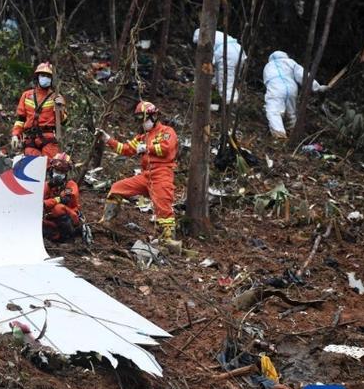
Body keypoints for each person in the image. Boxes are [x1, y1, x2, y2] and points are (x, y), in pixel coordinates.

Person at [96, 101, 179, 244]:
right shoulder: (142, 136)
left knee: (163, 208)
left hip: (162, 174)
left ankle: (169, 241)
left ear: (154, 117)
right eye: (140, 120)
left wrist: (147, 148)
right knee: (117, 188)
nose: (143, 123)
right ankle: (107, 222)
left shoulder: (167, 131)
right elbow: (126, 149)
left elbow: (167, 148)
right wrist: (107, 139)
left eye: (144, 119)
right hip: (145, 175)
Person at [262, 51, 328, 139]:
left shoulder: (268, 66)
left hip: (276, 89)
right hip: (291, 88)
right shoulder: (290, 62)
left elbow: (266, 83)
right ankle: (293, 134)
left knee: (274, 112)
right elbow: (303, 75)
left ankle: (279, 136)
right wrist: (317, 87)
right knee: (291, 114)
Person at [10, 62, 67, 158]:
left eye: (48, 76)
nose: (45, 78)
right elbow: (21, 119)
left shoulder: (56, 97)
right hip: (30, 139)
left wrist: (60, 108)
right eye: (43, 75)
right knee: (31, 167)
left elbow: (63, 121)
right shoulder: (27, 95)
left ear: (52, 79)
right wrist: (15, 135)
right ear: (37, 77)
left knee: (50, 166)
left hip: (48, 139)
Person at [192, 29, 246, 104]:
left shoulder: (203, 38)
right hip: (239, 50)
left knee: (226, 82)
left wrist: (199, 79)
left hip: (227, 53)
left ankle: (229, 104)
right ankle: (231, 101)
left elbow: (208, 62)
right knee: (232, 79)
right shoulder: (215, 34)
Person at [42, 152, 81, 242]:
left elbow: (64, 199)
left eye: (61, 172)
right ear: (52, 170)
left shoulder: (71, 185)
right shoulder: (47, 185)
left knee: (58, 209)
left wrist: (52, 201)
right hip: (49, 216)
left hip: (70, 215)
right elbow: (40, 201)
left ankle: (67, 238)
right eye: (56, 171)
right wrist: (50, 186)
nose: (58, 174)